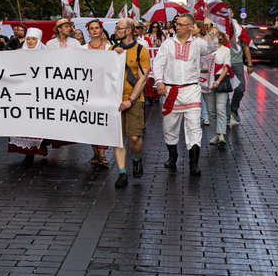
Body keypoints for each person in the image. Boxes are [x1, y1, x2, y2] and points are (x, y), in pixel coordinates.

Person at [153, 13, 216, 176]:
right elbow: (158, 63)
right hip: (171, 91)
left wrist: (209, 29)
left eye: (181, 24)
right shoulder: (167, 44)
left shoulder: (198, 44)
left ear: (190, 26)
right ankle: (172, 156)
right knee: (170, 127)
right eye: (177, 24)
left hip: (191, 90)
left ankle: (193, 163)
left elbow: (212, 47)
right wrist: (159, 81)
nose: (177, 26)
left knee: (194, 127)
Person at [111, 18, 150, 188]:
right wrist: (113, 56)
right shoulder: (112, 49)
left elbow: (143, 78)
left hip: (134, 100)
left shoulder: (141, 50)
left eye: (118, 28)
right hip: (115, 101)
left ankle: (136, 158)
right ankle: (122, 173)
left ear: (128, 31)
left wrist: (131, 100)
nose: (115, 30)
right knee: (118, 139)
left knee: (134, 138)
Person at [8, 28, 49, 163]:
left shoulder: (47, 54)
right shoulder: (19, 53)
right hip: (23, 93)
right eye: (28, 39)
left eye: (33, 39)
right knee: (26, 124)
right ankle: (28, 154)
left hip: (40, 93)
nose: (30, 42)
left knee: (39, 123)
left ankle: (42, 146)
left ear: (39, 40)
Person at [85, 20, 113, 165]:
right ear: (88, 31)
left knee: (102, 121)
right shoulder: (82, 49)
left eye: (97, 28)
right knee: (90, 122)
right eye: (92, 28)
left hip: (105, 90)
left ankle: (102, 154)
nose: (94, 30)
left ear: (101, 30)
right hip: (88, 91)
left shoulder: (110, 48)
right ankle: (95, 153)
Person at [202, 28, 232, 148]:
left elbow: (226, 67)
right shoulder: (205, 50)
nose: (214, 36)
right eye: (212, 34)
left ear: (220, 36)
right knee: (211, 111)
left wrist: (218, 81)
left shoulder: (226, 50)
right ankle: (214, 135)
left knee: (220, 109)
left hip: (221, 80)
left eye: (217, 34)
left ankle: (221, 135)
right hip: (206, 81)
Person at [228, 16, 253, 126]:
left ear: (232, 15)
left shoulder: (239, 29)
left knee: (241, 88)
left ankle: (233, 109)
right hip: (223, 64)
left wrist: (250, 64)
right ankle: (224, 114)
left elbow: (246, 48)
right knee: (223, 91)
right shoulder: (219, 29)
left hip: (237, 63)